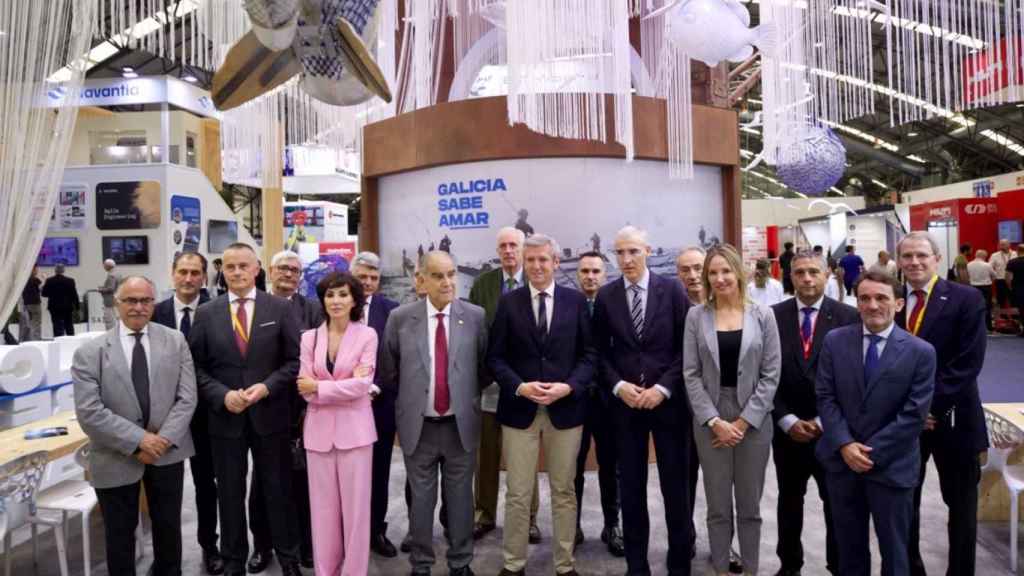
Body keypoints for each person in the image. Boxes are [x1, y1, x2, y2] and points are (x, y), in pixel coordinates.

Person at [189, 243, 303, 576]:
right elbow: (194, 367)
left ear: (257, 270)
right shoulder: (207, 313)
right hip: (226, 419)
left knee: (278, 490)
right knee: (229, 493)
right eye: (230, 266)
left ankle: (288, 558)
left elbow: (296, 361)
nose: (237, 272)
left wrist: (267, 386)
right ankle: (233, 560)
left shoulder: (279, 308)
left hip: (271, 417)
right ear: (222, 272)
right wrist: (222, 395)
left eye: (243, 266)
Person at [72, 276, 197, 576]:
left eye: (145, 301)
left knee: (168, 530)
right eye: (130, 300)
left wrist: (161, 440)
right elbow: (90, 412)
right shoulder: (91, 352)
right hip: (116, 456)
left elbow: (187, 397)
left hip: (167, 453)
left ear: (154, 304)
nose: (138, 307)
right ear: (117, 304)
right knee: (119, 536)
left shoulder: (175, 340)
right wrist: (140, 441)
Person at [488, 234, 596, 576]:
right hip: (519, 412)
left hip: (565, 412)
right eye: (530, 259)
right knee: (518, 492)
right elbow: (495, 357)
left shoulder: (575, 302)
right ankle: (513, 563)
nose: (536, 266)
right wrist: (519, 386)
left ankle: (565, 565)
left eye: (542, 260)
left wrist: (568, 387)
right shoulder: (509, 303)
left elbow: (590, 355)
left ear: (555, 262)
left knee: (564, 490)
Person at [816, 270, 936, 576]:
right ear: (857, 303)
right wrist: (844, 444)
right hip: (843, 466)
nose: (872, 305)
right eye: (865, 298)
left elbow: (913, 415)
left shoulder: (920, 352)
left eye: (881, 298)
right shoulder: (835, 342)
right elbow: (826, 397)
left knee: (896, 555)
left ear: (898, 304)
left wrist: (867, 453)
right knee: (850, 553)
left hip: (892, 468)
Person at [592, 225, 693, 576]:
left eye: (633, 251)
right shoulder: (607, 297)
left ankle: (680, 564)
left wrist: (663, 388)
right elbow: (598, 352)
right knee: (632, 491)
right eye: (619, 253)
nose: (626, 259)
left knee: (675, 489)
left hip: (668, 405)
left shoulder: (673, 290)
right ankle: (637, 567)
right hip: (626, 407)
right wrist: (618, 385)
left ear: (648, 251)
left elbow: (686, 349)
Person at [378, 251, 488, 576]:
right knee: (421, 504)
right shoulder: (400, 318)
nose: (448, 282)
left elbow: (483, 368)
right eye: (438, 276)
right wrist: (413, 401)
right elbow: (389, 369)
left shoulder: (475, 316)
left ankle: (460, 562)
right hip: (419, 427)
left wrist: (463, 395)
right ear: (421, 280)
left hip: (460, 427)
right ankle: (421, 564)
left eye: (452, 274)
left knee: (460, 502)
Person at [683, 243, 780, 576]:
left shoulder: (763, 315)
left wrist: (742, 421)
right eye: (713, 272)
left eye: (726, 271)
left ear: (739, 272)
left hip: (753, 419)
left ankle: (750, 569)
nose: (720, 278)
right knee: (718, 506)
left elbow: (771, 375)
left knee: (750, 507)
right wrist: (714, 420)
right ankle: (722, 568)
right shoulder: (696, 316)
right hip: (710, 417)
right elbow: (690, 374)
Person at [897, 232, 988, 576]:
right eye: (907, 256)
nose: (915, 262)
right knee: (905, 503)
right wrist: (910, 413)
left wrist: (927, 408)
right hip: (904, 423)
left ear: (936, 258)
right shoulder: (890, 299)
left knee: (962, 507)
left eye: (922, 255)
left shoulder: (966, 299)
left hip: (954, 418)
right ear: (900, 262)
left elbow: (967, 363)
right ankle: (910, 568)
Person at [770, 250, 859, 576]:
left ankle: (838, 565)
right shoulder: (771, 316)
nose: (807, 279)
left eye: (813, 272)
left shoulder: (849, 317)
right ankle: (789, 565)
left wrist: (825, 421)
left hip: (832, 433)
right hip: (787, 429)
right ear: (790, 276)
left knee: (836, 505)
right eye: (800, 273)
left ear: (827, 275)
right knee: (789, 502)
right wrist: (786, 419)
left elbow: (853, 379)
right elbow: (764, 376)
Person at [298, 271, 378, 576]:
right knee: (322, 512)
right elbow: (302, 388)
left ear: (354, 299)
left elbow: (363, 385)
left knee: (356, 512)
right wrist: (337, 388)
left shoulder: (367, 335)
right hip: (318, 434)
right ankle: (325, 571)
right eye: (330, 295)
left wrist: (319, 388)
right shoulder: (309, 338)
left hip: (356, 434)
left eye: (343, 294)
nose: (336, 301)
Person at [248, 250, 323, 570]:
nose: (289, 274)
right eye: (283, 268)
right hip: (266, 406)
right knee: (264, 482)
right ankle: (262, 545)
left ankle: (304, 543)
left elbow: (322, 360)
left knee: (304, 481)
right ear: (269, 271)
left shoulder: (315, 311)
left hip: (306, 410)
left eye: (295, 270)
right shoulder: (255, 307)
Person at [468, 227, 541, 542]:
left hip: (526, 387)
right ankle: (484, 515)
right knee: (486, 455)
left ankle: (529, 519)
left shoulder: (536, 281)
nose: (509, 251)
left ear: (523, 249)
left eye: (514, 245)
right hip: (489, 386)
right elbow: (473, 332)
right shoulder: (483, 284)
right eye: (503, 246)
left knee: (523, 459)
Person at [152, 252, 223, 575]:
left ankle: (210, 547)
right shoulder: (154, 313)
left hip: (208, 418)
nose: (189, 278)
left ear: (205, 277)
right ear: (173, 273)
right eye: (183, 271)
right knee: (164, 491)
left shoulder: (217, 312)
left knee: (206, 486)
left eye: (196, 273)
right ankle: (165, 557)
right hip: (163, 418)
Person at [350, 252, 403, 558]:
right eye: (362, 277)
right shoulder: (333, 307)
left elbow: (395, 358)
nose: (367, 283)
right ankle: (347, 532)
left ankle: (375, 531)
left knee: (379, 471)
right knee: (347, 473)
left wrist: (374, 387)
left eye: (373, 278)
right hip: (341, 408)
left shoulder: (392, 311)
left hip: (380, 405)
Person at [573, 251, 624, 557]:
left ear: (605, 274)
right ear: (578, 275)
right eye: (584, 271)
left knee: (611, 467)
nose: (590, 276)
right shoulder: (568, 306)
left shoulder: (616, 306)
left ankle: (612, 525)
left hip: (609, 401)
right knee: (572, 467)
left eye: (595, 271)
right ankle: (573, 525)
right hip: (575, 401)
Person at [41, 263, 79, 337]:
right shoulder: (70, 281)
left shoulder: (49, 281)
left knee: (56, 325)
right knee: (69, 324)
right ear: (63, 271)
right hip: (67, 306)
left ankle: (58, 340)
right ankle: (71, 339)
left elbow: (44, 294)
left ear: (55, 271)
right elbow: (74, 294)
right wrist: (77, 306)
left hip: (54, 307)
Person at [966, 249, 995, 332]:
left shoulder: (969, 264)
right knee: (987, 307)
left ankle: (974, 327)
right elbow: (994, 276)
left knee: (973, 308)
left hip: (973, 287)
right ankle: (989, 327)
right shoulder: (987, 265)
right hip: (986, 288)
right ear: (984, 256)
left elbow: (967, 276)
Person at [19, 266, 43, 342]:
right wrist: (44, 279)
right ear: (32, 270)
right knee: (36, 323)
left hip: (26, 304)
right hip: (35, 305)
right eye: (36, 270)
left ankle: (25, 341)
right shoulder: (35, 280)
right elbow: (41, 289)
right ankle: (36, 341)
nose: (37, 272)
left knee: (27, 324)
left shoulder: (23, 280)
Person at [1006, 245, 1024, 336]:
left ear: (1017, 251)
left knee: (1021, 309)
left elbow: (1007, 277)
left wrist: (1010, 287)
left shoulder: (1012, 262)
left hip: (1019, 288)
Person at [990, 239, 1013, 310]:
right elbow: (989, 267)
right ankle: (1002, 316)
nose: (1001, 246)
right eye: (1000, 245)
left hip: (1013, 280)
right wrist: (994, 277)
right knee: (1001, 299)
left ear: (1009, 245)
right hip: (1000, 280)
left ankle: (1015, 316)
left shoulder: (1015, 254)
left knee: (1014, 298)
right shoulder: (994, 255)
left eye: (1003, 244)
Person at [98, 259, 121, 330]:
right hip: (116, 299)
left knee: (110, 320)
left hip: (109, 300)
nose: (104, 267)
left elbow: (111, 288)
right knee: (115, 319)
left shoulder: (111, 275)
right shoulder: (118, 274)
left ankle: (110, 335)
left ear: (108, 266)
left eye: (104, 265)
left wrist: (101, 289)